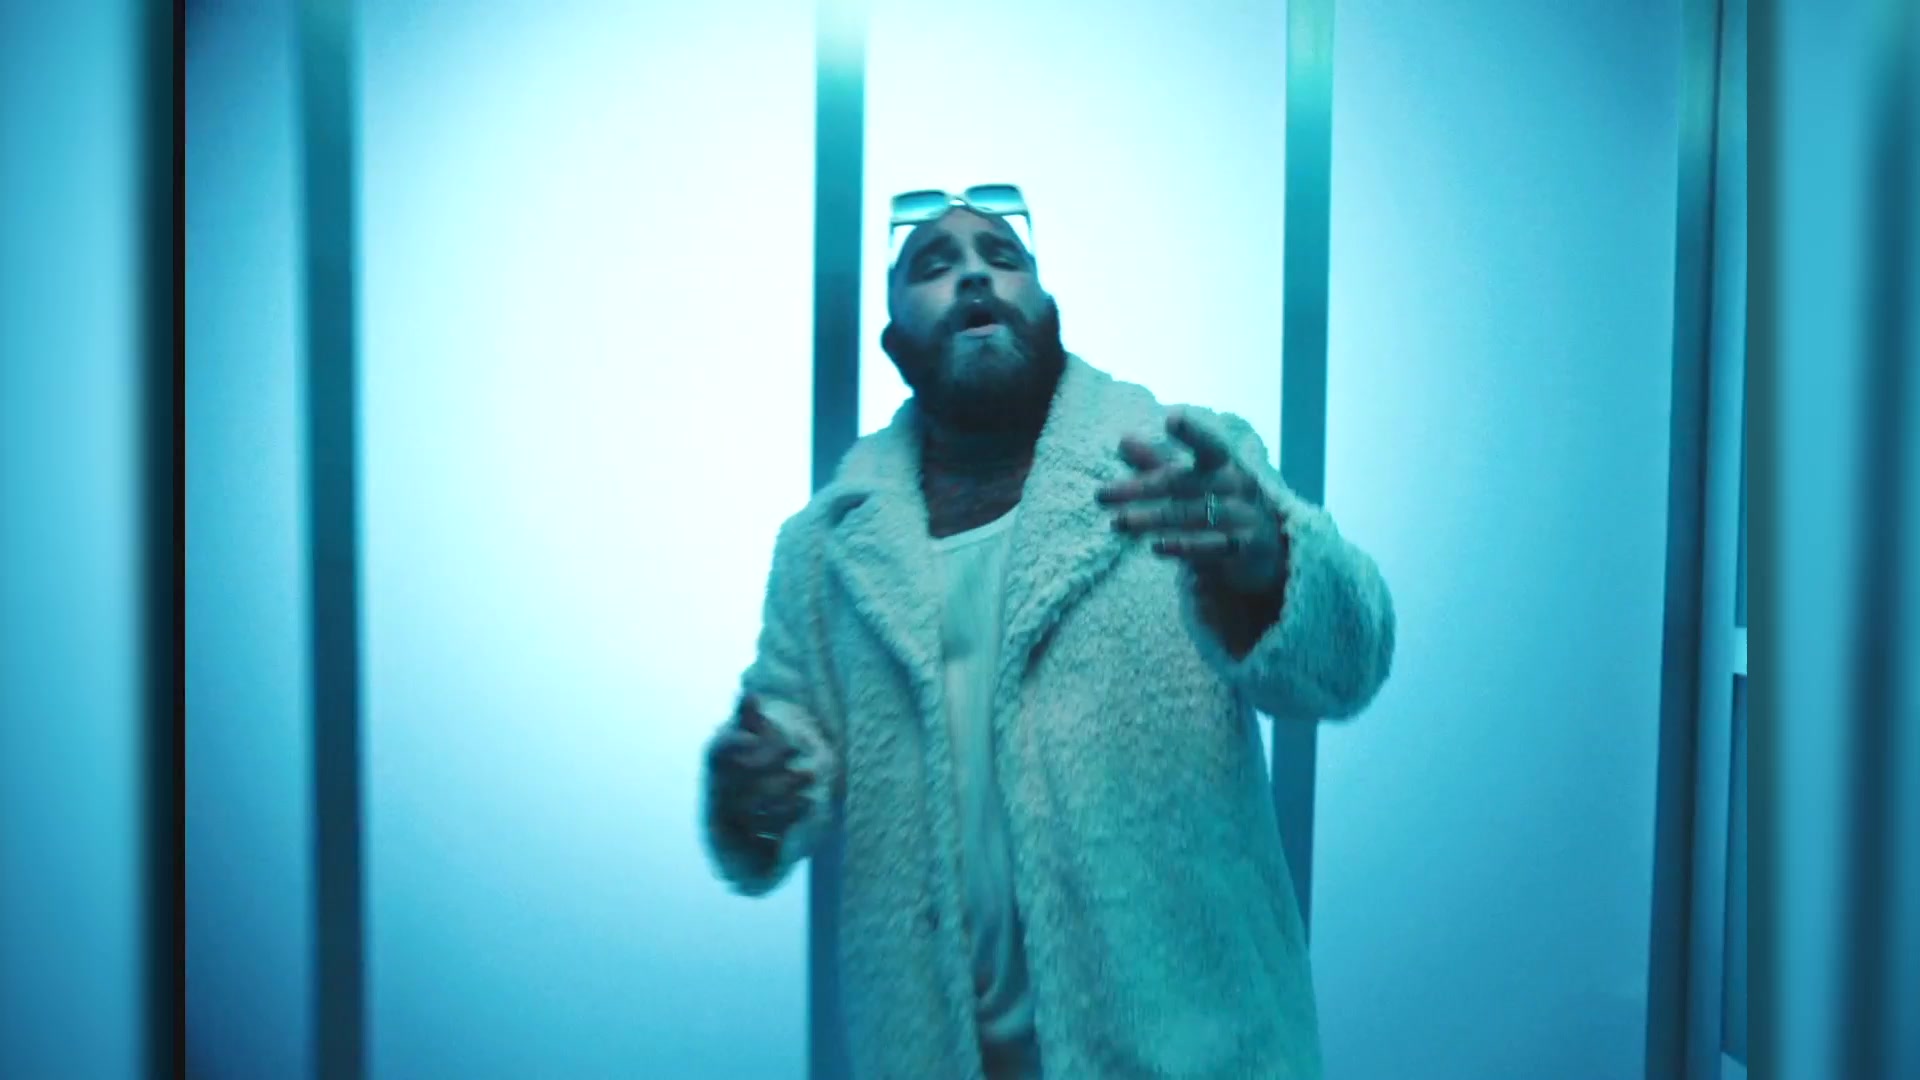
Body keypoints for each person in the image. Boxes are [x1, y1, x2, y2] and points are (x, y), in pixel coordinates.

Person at [700, 186, 1395, 1080]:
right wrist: (754, 793)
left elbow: (1351, 661)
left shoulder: (1187, 467)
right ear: (894, 343)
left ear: (1049, 308)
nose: (974, 276)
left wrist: (1270, 565)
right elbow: (782, 750)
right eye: (934, 265)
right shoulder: (825, 548)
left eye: (1001, 256)